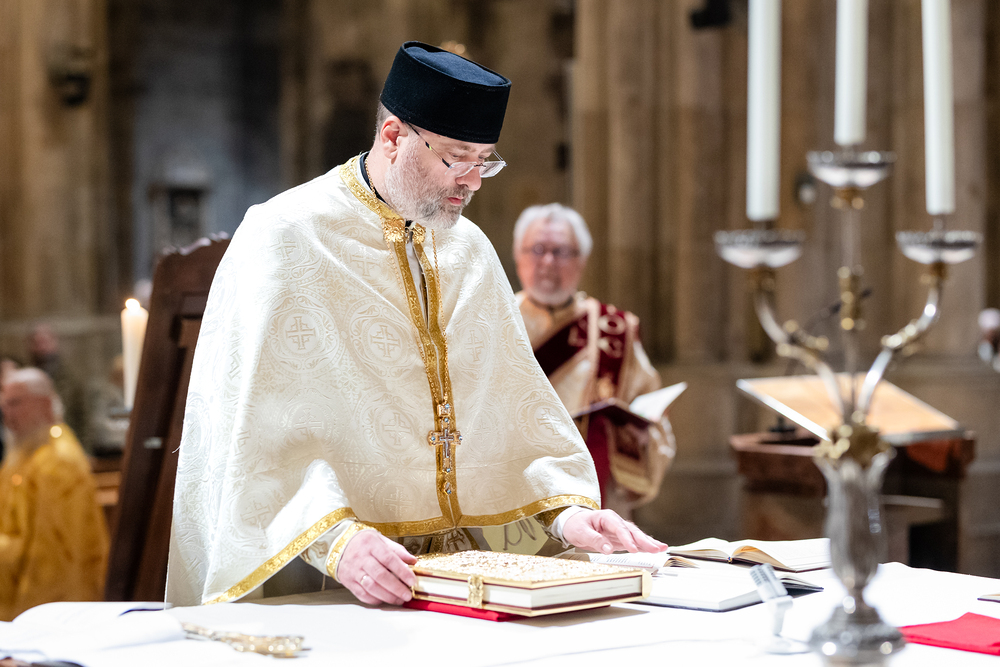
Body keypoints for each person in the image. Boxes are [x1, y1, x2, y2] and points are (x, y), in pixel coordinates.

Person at [167, 42, 666, 608]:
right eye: (458, 158)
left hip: (463, 577)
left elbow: (513, 409)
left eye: (486, 160)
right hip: (326, 575)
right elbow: (246, 430)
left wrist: (568, 512)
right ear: (393, 137)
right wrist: (335, 540)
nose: (474, 181)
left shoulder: (469, 250)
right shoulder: (283, 235)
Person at [513, 204, 675, 519]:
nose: (548, 262)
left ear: (582, 261)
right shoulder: (492, 321)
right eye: (537, 249)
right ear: (518, 256)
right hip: (515, 498)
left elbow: (655, 419)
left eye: (561, 251)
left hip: (599, 500)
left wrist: (642, 437)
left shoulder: (615, 330)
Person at [0, 368, 109, 621]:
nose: (7, 413)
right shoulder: (25, 452)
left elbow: (52, 559)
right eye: (5, 404)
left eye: (16, 403)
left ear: (45, 404)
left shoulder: (57, 463)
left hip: (53, 609)